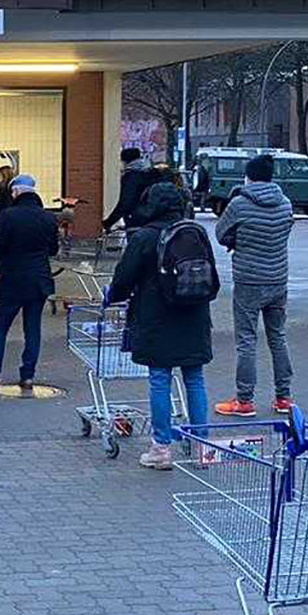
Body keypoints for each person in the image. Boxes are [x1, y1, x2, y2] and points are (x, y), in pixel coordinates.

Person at [107, 179, 219, 469]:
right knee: (194, 378)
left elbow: (124, 278)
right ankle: (203, 448)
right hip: (194, 315)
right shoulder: (194, 231)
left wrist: (113, 297)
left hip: (157, 317)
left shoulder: (145, 237)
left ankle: (161, 449)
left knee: (160, 379)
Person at [212, 153, 296, 417]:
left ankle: (245, 400)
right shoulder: (285, 203)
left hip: (249, 279)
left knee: (246, 340)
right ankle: (284, 398)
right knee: (278, 337)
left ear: (248, 177)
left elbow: (220, 233)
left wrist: (237, 241)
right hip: (278, 279)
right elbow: (284, 232)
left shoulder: (238, 204)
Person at [0, 174, 60, 392]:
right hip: (39, 280)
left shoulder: (9, 216)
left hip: (13, 279)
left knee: (1, 327)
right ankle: (28, 376)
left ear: (16, 192)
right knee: (32, 328)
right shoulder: (48, 218)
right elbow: (53, 249)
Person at [102, 147, 151, 231]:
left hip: (136, 220)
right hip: (150, 219)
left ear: (125, 161)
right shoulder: (148, 173)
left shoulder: (131, 176)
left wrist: (109, 222)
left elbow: (126, 202)